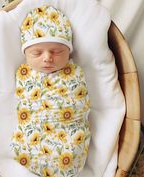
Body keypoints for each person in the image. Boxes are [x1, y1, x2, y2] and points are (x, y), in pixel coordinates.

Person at [10, 5, 91, 177]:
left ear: (69, 51)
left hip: (68, 131)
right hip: (34, 131)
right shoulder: (24, 75)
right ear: (25, 54)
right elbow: (23, 103)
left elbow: (81, 102)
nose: (47, 58)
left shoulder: (74, 73)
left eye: (57, 51)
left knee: (70, 149)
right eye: (37, 53)